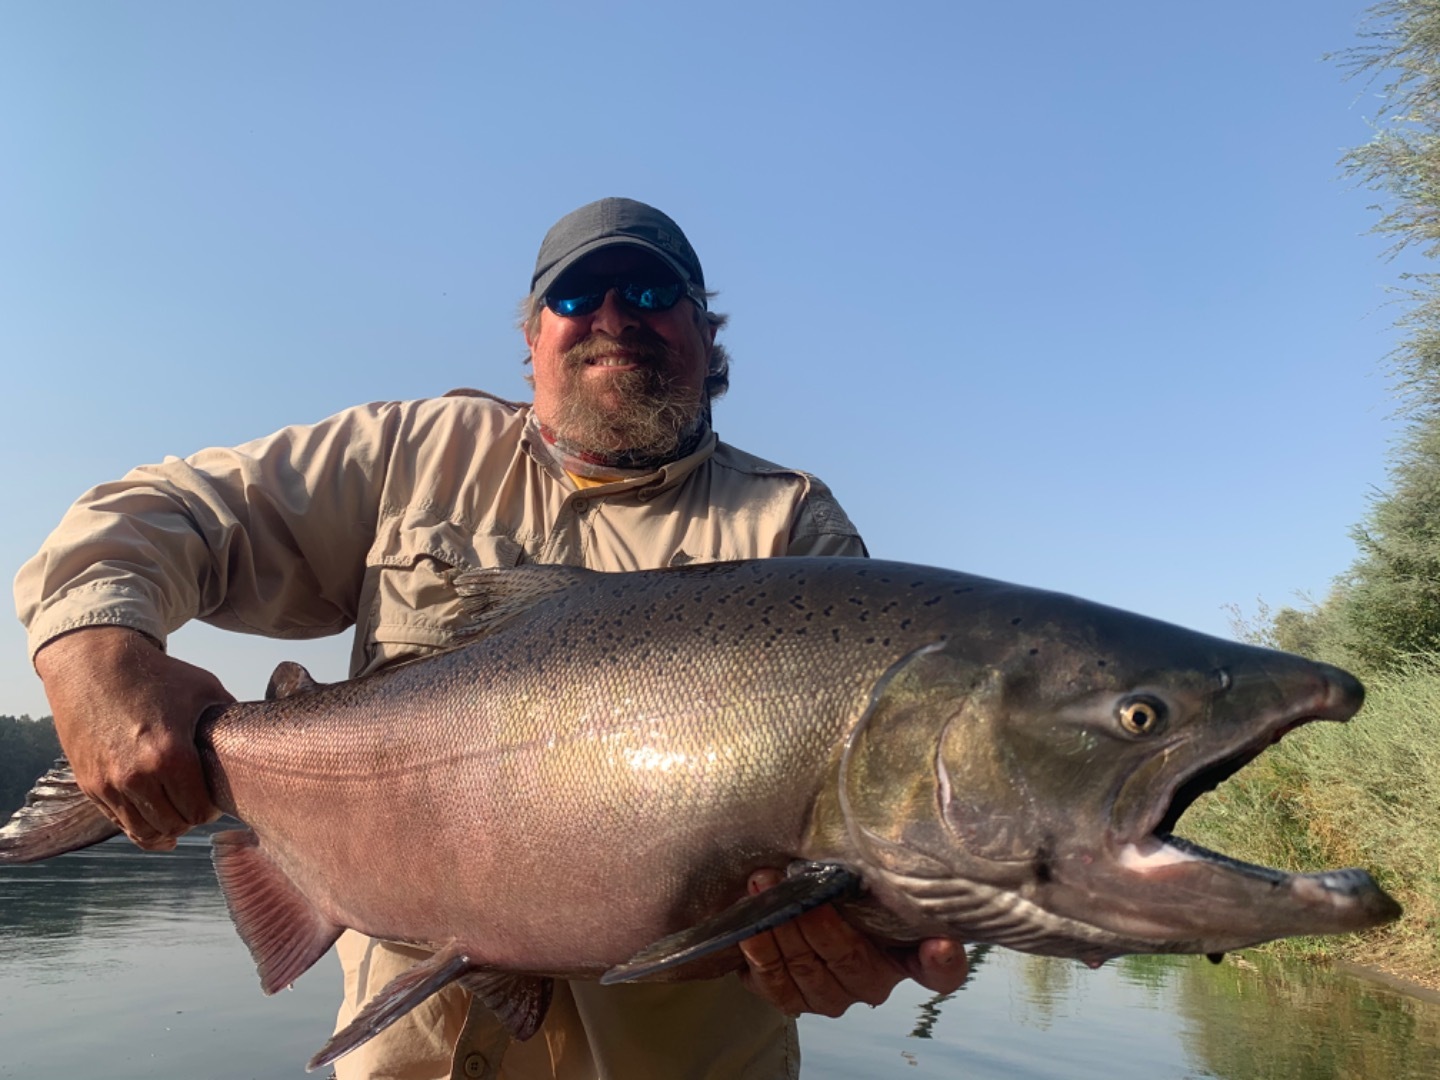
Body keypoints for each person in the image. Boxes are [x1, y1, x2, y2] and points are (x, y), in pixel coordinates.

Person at [15, 197, 966, 1080]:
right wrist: (95, 653)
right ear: (531, 335)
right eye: (574, 293)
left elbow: (862, 849)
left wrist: (845, 951)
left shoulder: (795, 532)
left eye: (650, 292)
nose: (613, 314)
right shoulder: (415, 455)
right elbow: (163, 509)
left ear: (706, 336)